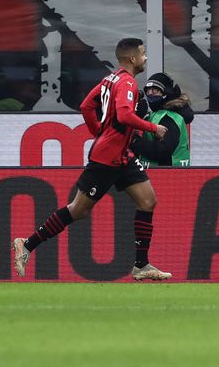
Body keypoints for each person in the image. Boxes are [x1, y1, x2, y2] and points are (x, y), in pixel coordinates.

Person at [12, 38, 172, 280]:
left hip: (121, 155)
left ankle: (141, 265)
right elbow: (125, 115)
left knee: (148, 201)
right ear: (132, 58)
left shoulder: (110, 79)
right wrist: (153, 128)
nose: (146, 58)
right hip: (106, 158)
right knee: (78, 210)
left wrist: (99, 131)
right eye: (143, 53)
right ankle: (27, 244)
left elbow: (87, 105)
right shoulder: (127, 83)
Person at [130, 72, 194, 167]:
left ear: (165, 93)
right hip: (155, 175)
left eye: (155, 90)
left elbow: (162, 152)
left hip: (169, 177)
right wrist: (135, 116)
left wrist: (134, 141)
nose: (150, 93)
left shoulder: (169, 118)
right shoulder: (154, 115)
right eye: (148, 90)